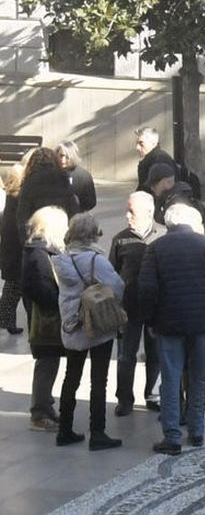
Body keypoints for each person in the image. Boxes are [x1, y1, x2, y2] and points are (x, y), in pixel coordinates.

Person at [137, 199, 205, 454]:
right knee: (199, 377)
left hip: (168, 323)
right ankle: (197, 430)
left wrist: (150, 320)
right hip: (203, 323)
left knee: (171, 378)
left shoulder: (156, 248)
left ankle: (172, 436)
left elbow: (146, 289)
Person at [51, 215, 123, 449]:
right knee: (98, 380)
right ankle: (98, 432)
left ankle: (65, 429)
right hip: (98, 324)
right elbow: (118, 287)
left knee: (71, 376)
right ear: (93, 234)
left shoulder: (62, 261)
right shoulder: (95, 260)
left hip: (73, 324)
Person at [110, 191, 160, 415]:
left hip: (156, 307)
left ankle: (153, 395)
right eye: (127, 210)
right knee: (125, 354)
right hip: (128, 306)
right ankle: (124, 399)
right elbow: (112, 272)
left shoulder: (164, 235)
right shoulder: (121, 239)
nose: (127, 216)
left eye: (132, 211)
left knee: (156, 352)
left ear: (149, 212)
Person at [20, 205, 68, 429]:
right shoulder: (38, 254)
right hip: (45, 320)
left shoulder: (42, 250)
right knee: (46, 364)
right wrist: (57, 301)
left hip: (48, 318)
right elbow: (35, 287)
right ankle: (40, 411)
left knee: (49, 363)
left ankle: (45, 406)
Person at [0, 164, 23, 335]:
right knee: (13, 287)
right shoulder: (17, 197)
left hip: (9, 248)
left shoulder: (10, 195)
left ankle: (6, 319)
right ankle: (5, 319)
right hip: (15, 249)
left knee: (12, 286)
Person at [135, 126, 179, 198]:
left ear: (153, 143)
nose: (137, 147)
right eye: (137, 143)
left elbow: (161, 190)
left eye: (141, 143)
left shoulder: (160, 160)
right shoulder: (154, 159)